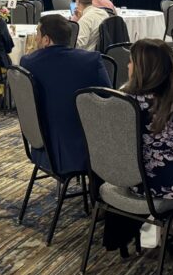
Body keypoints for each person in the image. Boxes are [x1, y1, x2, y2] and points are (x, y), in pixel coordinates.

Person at [104, 39, 173, 257]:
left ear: (143, 69)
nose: (127, 66)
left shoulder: (121, 100)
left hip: (134, 181)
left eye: (131, 62)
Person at [20, 15, 111, 175]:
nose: (36, 38)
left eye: (38, 34)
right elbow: (107, 99)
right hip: (86, 146)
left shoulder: (28, 62)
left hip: (43, 145)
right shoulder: (91, 60)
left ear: (46, 39)